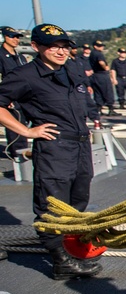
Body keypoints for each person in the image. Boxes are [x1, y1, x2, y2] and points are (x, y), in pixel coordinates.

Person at [0, 23, 102, 279]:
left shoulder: (72, 69)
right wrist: (27, 131)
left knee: (77, 201)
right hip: (55, 147)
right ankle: (60, 261)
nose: (60, 51)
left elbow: (83, 100)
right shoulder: (24, 75)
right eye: (53, 46)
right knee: (52, 205)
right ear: (36, 47)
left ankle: (72, 249)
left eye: (64, 46)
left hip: (80, 145)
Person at [1, 26, 30, 158]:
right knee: (15, 130)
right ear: (4, 38)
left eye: (18, 37)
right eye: (12, 37)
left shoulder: (20, 57)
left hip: (23, 96)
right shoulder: (1, 56)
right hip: (10, 98)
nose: (16, 40)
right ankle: (19, 157)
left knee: (24, 125)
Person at [89, 40, 119, 117]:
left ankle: (99, 109)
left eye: (102, 46)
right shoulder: (98, 54)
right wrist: (105, 67)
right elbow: (101, 62)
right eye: (100, 46)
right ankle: (110, 109)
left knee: (98, 92)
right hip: (102, 74)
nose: (102, 47)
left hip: (95, 75)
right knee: (107, 91)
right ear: (95, 46)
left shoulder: (92, 53)